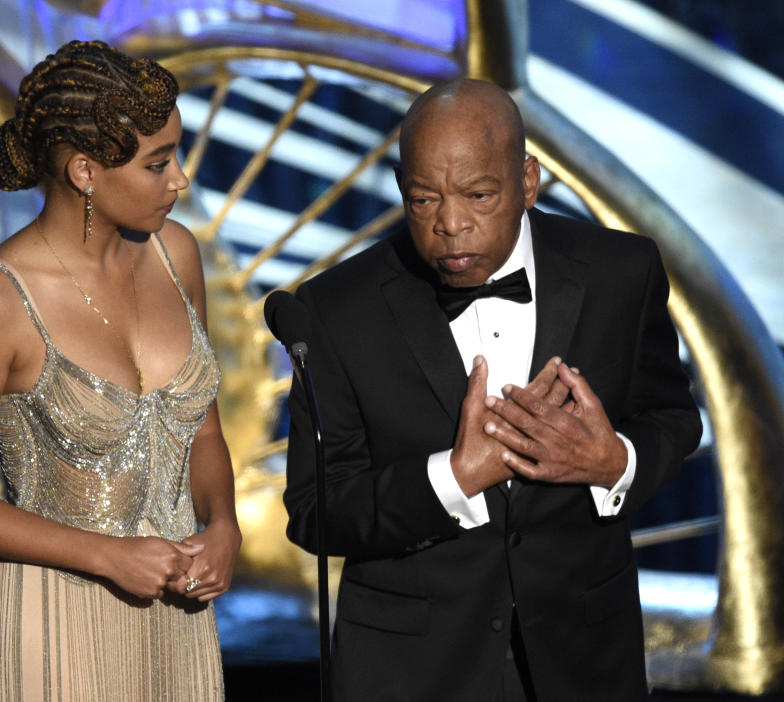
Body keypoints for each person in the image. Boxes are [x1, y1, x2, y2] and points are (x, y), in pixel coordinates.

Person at [284, 77, 701, 701]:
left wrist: (613, 460)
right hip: (411, 672)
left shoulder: (622, 272)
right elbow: (318, 512)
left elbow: (673, 417)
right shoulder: (335, 310)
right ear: (401, 187)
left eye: (479, 194)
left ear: (528, 182)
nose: (450, 225)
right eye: (424, 200)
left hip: (584, 658)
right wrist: (450, 478)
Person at [0, 40, 240, 700]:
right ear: (85, 171)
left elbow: (200, 431)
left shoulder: (178, 256)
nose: (179, 181)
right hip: (52, 619)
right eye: (158, 163)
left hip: (177, 621)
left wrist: (223, 525)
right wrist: (108, 556)